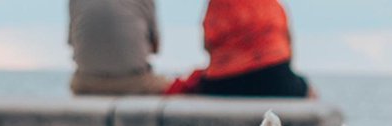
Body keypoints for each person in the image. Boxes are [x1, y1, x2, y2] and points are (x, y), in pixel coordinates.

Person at [167, 0, 312, 97]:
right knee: (309, 93)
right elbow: (287, 47)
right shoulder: (272, 5)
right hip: (275, 76)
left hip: (223, 81)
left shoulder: (218, 5)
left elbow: (207, 45)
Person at [68, 0, 171, 95]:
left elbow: (72, 42)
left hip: (86, 84)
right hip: (135, 83)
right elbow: (155, 47)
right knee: (169, 85)